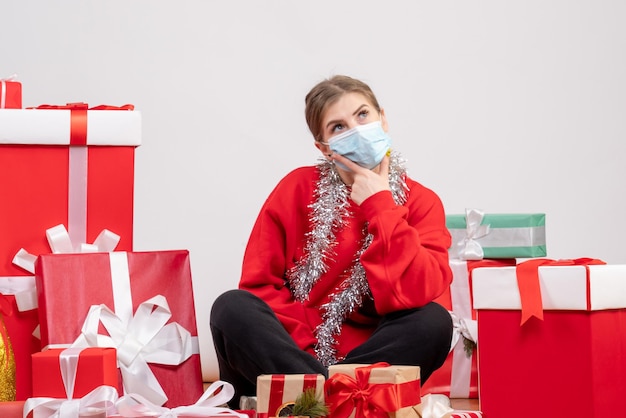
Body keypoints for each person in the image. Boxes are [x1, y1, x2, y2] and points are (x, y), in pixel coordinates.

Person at [210, 75, 453, 408]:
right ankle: (336, 400)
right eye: (338, 127)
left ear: (383, 118)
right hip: (293, 356)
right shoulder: (296, 188)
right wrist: (311, 363)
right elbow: (260, 285)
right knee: (231, 307)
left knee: (434, 322)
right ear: (324, 147)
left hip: (369, 357)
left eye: (362, 115)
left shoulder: (422, 201)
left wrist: (380, 204)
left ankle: (314, 404)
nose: (355, 129)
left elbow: (415, 291)